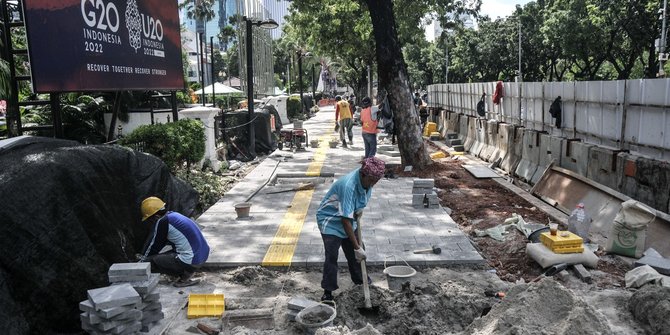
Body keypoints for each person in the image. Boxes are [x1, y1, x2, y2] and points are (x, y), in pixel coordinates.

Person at [316, 157, 386, 303]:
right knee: (332, 255)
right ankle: (328, 292)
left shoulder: (368, 182)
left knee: (357, 255)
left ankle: (361, 283)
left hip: (348, 217)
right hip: (330, 219)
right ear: (363, 174)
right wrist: (356, 247)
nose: (374, 184)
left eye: (376, 181)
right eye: (372, 180)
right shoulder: (349, 185)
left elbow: (354, 209)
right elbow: (345, 221)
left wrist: (358, 210)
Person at [139, 196, 210, 287]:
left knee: (151, 261)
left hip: (192, 260)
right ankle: (186, 272)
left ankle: (184, 276)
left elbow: (154, 246)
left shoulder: (163, 222)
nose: (151, 222)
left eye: (150, 220)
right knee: (165, 255)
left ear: (156, 216)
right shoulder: (174, 216)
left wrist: (142, 262)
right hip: (202, 255)